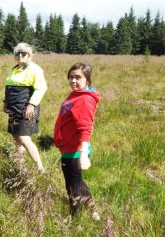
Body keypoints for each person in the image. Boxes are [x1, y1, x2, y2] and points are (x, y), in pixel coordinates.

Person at [54, 62, 100, 220]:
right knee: (78, 182)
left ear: (87, 79)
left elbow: (85, 128)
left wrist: (82, 155)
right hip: (70, 148)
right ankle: (93, 210)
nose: (73, 81)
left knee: (72, 186)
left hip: (74, 151)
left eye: (78, 77)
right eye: (71, 77)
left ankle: (75, 218)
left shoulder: (84, 100)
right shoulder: (77, 94)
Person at [3, 42, 47, 172]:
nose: (20, 55)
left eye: (23, 53)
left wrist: (31, 105)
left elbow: (41, 88)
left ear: (30, 55)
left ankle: (39, 167)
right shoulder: (14, 69)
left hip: (26, 109)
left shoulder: (35, 69)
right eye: (17, 53)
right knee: (16, 137)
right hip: (13, 108)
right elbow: (9, 88)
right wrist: (6, 102)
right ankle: (20, 165)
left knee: (24, 137)